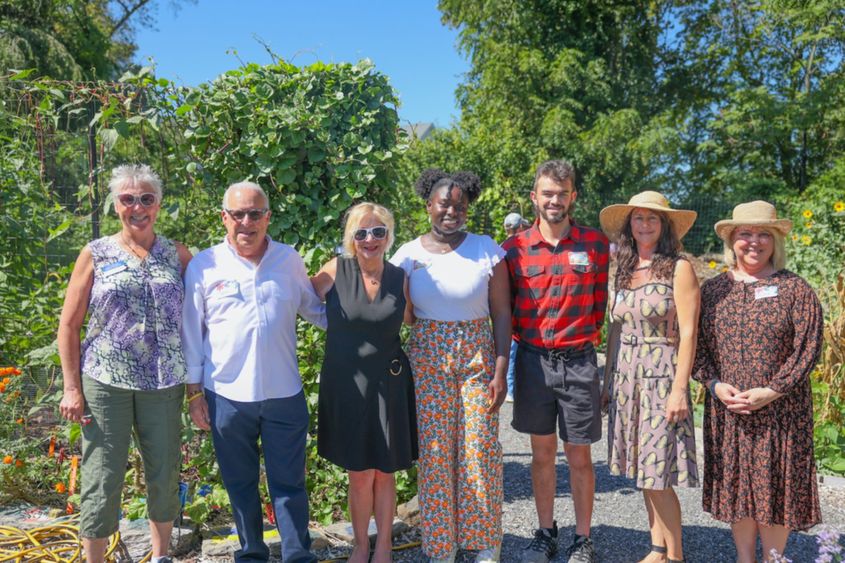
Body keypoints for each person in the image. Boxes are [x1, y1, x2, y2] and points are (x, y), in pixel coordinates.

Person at [182, 182, 326, 563]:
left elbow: (313, 308)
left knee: (289, 482)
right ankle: (251, 553)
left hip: (284, 392)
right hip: (226, 395)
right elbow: (191, 333)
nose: (247, 222)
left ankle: (297, 554)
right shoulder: (205, 265)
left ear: (268, 217)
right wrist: (194, 393)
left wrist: (362, 316)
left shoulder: (288, 259)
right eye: (238, 214)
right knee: (239, 482)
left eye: (255, 213)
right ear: (224, 218)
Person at [57, 164, 192, 563]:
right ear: (116, 205)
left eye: (146, 199)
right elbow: (69, 324)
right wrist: (71, 387)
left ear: (159, 205)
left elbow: (203, 316)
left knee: (165, 470)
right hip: (105, 380)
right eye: (128, 199)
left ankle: (161, 555)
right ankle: (95, 559)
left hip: (165, 382)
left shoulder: (178, 254)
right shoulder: (95, 253)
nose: (137, 206)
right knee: (102, 474)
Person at [390, 169, 511, 563]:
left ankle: (483, 542)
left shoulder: (486, 248)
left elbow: (502, 312)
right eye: (444, 203)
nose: (452, 211)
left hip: (478, 355)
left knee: (479, 448)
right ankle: (441, 545)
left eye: (460, 205)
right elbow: (402, 314)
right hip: (428, 357)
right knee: (436, 451)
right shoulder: (408, 254)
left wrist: (501, 368)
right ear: (428, 205)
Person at [693, 201, 823, 563]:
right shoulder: (713, 290)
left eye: (763, 234)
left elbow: (808, 347)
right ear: (732, 240)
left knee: (774, 490)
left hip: (781, 414)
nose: (754, 242)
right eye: (745, 234)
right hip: (730, 411)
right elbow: (696, 349)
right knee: (739, 489)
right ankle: (744, 558)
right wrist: (715, 385)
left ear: (775, 241)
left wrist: (773, 391)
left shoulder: (796, 290)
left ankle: (774, 559)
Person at [502, 159, 609, 563]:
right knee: (541, 453)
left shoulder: (595, 245)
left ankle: (582, 539)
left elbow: (599, 308)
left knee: (579, 455)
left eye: (562, 193)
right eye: (547, 193)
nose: (555, 200)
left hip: (579, 361)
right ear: (534, 197)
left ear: (573, 197)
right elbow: (507, 308)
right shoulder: (513, 249)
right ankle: (546, 532)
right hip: (532, 361)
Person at [310, 202, 418, 563]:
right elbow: (300, 302)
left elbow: (415, 319)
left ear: (388, 235)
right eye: (361, 233)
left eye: (378, 232)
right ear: (350, 238)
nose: (369, 239)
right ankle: (360, 545)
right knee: (359, 473)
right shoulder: (334, 270)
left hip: (389, 384)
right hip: (347, 384)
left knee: (385, 473)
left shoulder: (400, 276)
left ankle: (384, 546)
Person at [599, 191, 700, 563]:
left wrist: (679, 390)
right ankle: (657, 547)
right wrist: (607, 382)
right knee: (643, 468)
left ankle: (676, 556)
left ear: (664, 226)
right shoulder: (623, 269)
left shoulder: (679, 268)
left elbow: (689, 332)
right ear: (630, 225)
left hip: (661, 375)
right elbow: (615, 329)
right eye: (638, 218)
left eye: (652, 219)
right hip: (626, 377)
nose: (644, 225)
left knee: (657, 472)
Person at [502, 212, 531, 402]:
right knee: (512, 351)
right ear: (519, 227)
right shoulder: (520, 248)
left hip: (505, 310)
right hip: (516, 310)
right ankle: (511, 388)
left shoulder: (501, 248)